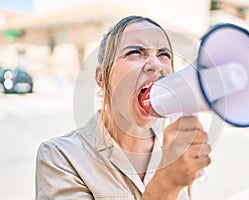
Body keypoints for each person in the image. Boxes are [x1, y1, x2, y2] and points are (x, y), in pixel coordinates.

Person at [35, 15, 211, 200]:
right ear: (102, 77)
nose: (156, 65)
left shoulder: (172, 151)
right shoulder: (60, 157)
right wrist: (166, 183)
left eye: (164, 55)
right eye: (135, 52)